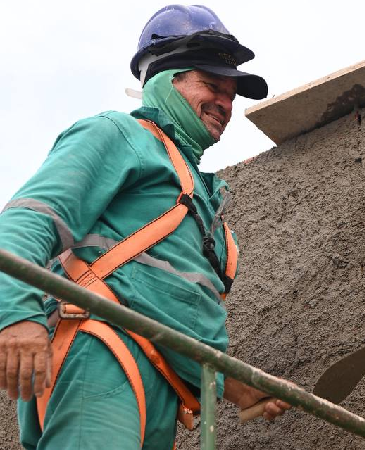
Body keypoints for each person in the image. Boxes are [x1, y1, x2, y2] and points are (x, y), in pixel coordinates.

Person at [0, 5, 289, 449]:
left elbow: (169, 316)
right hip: (101, 358)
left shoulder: (205, 206)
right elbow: (24, 222)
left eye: (232, 94)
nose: (226, 104)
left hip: (162, 394)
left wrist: (239, 386)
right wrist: (16, 315)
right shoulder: (120, 135)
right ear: (164, 80)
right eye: (212, 86)